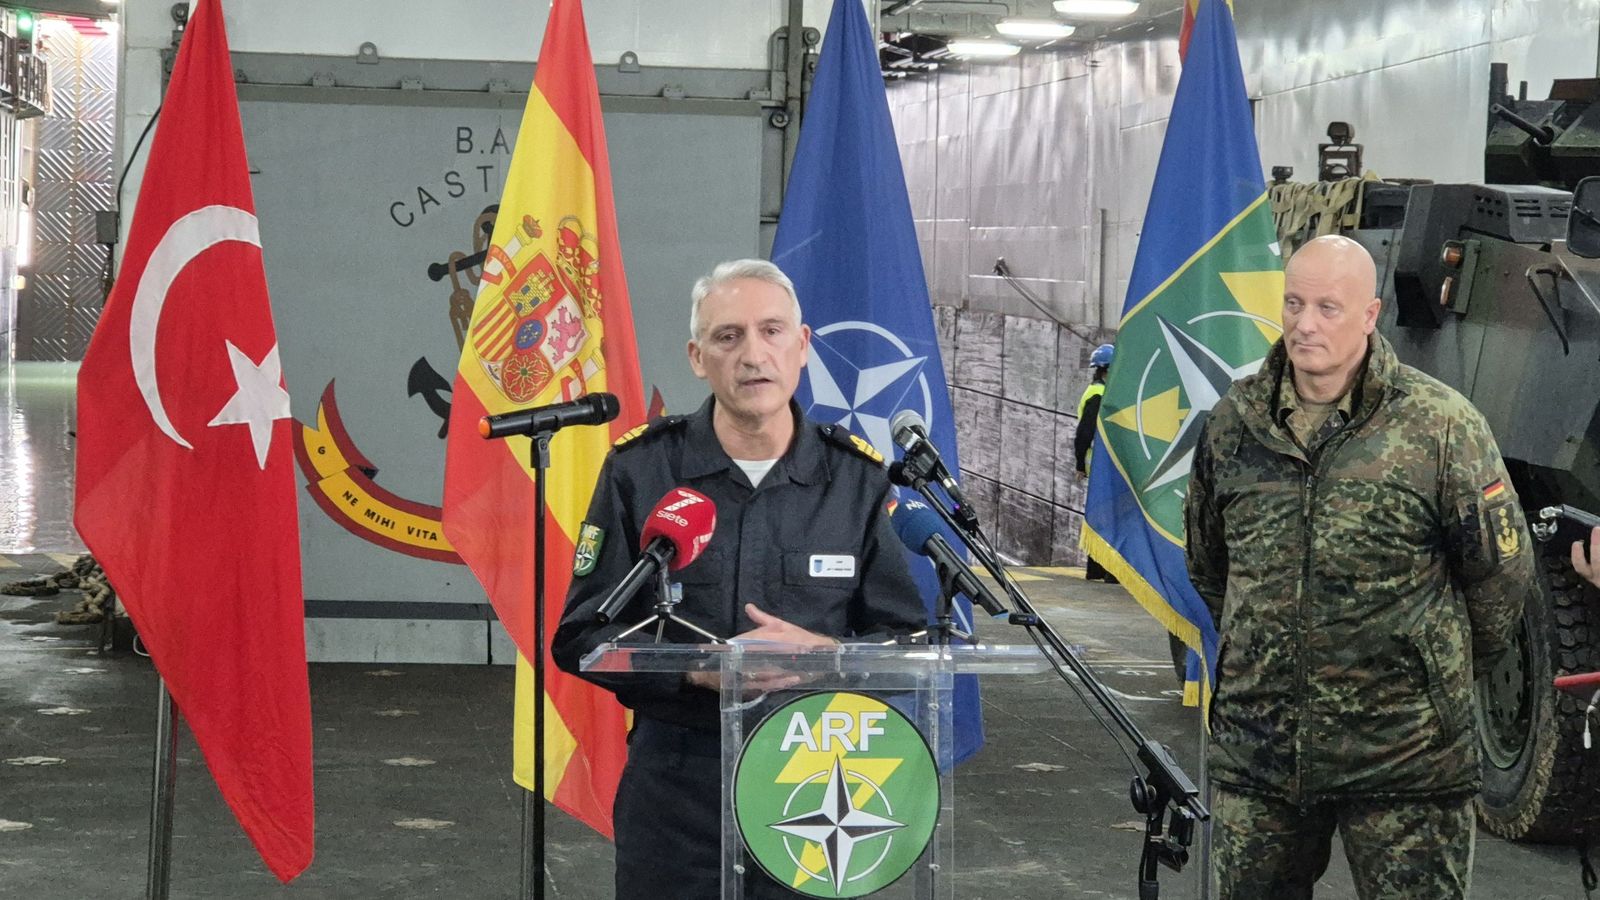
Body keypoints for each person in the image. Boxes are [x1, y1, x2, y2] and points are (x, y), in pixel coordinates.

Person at [551, 258, 926, 899]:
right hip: (677, 784)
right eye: (728, 337)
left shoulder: (859, 481)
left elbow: (908, 644)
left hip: (819, 777)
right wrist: (697, 669)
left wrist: (829, 658)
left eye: (772, 331)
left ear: (802, 346)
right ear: (698, 357)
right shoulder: (640, 471)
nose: (753, 354)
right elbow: (582, 638)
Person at [1184, 235, 1534, 899]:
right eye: (1293, 304)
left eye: (1327, 308)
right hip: (1262, 754)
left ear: (1371, 316)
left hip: (1405, 759)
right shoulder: (1235, 423)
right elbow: (1210, 564)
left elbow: (1499, 576)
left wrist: (1431, 676)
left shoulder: (1439, 427)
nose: (1304, 323)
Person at [1075, 342, 1118, 583]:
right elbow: (1084, 434)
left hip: (1100, 469)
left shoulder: (1096, 392)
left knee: (1101, 519)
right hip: (1102, 469)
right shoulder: (1099, 397)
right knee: (1111, 521)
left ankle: (1097, 570)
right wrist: (1080, 464)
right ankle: (1110, 573)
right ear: (1106, 371)